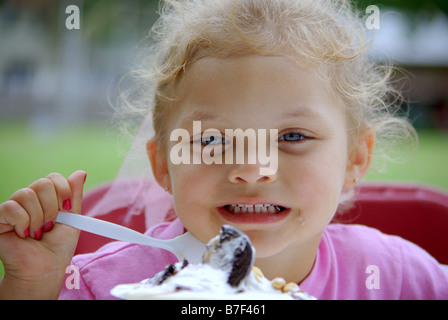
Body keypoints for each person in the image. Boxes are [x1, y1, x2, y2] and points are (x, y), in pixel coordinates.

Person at [1, 0, 447, 300]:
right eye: (212, 140)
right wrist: (33, 284)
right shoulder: (103, 284)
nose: (252, 169)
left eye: (292, 137)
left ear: (355, 159)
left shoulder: (395, 277)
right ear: (162, 165)